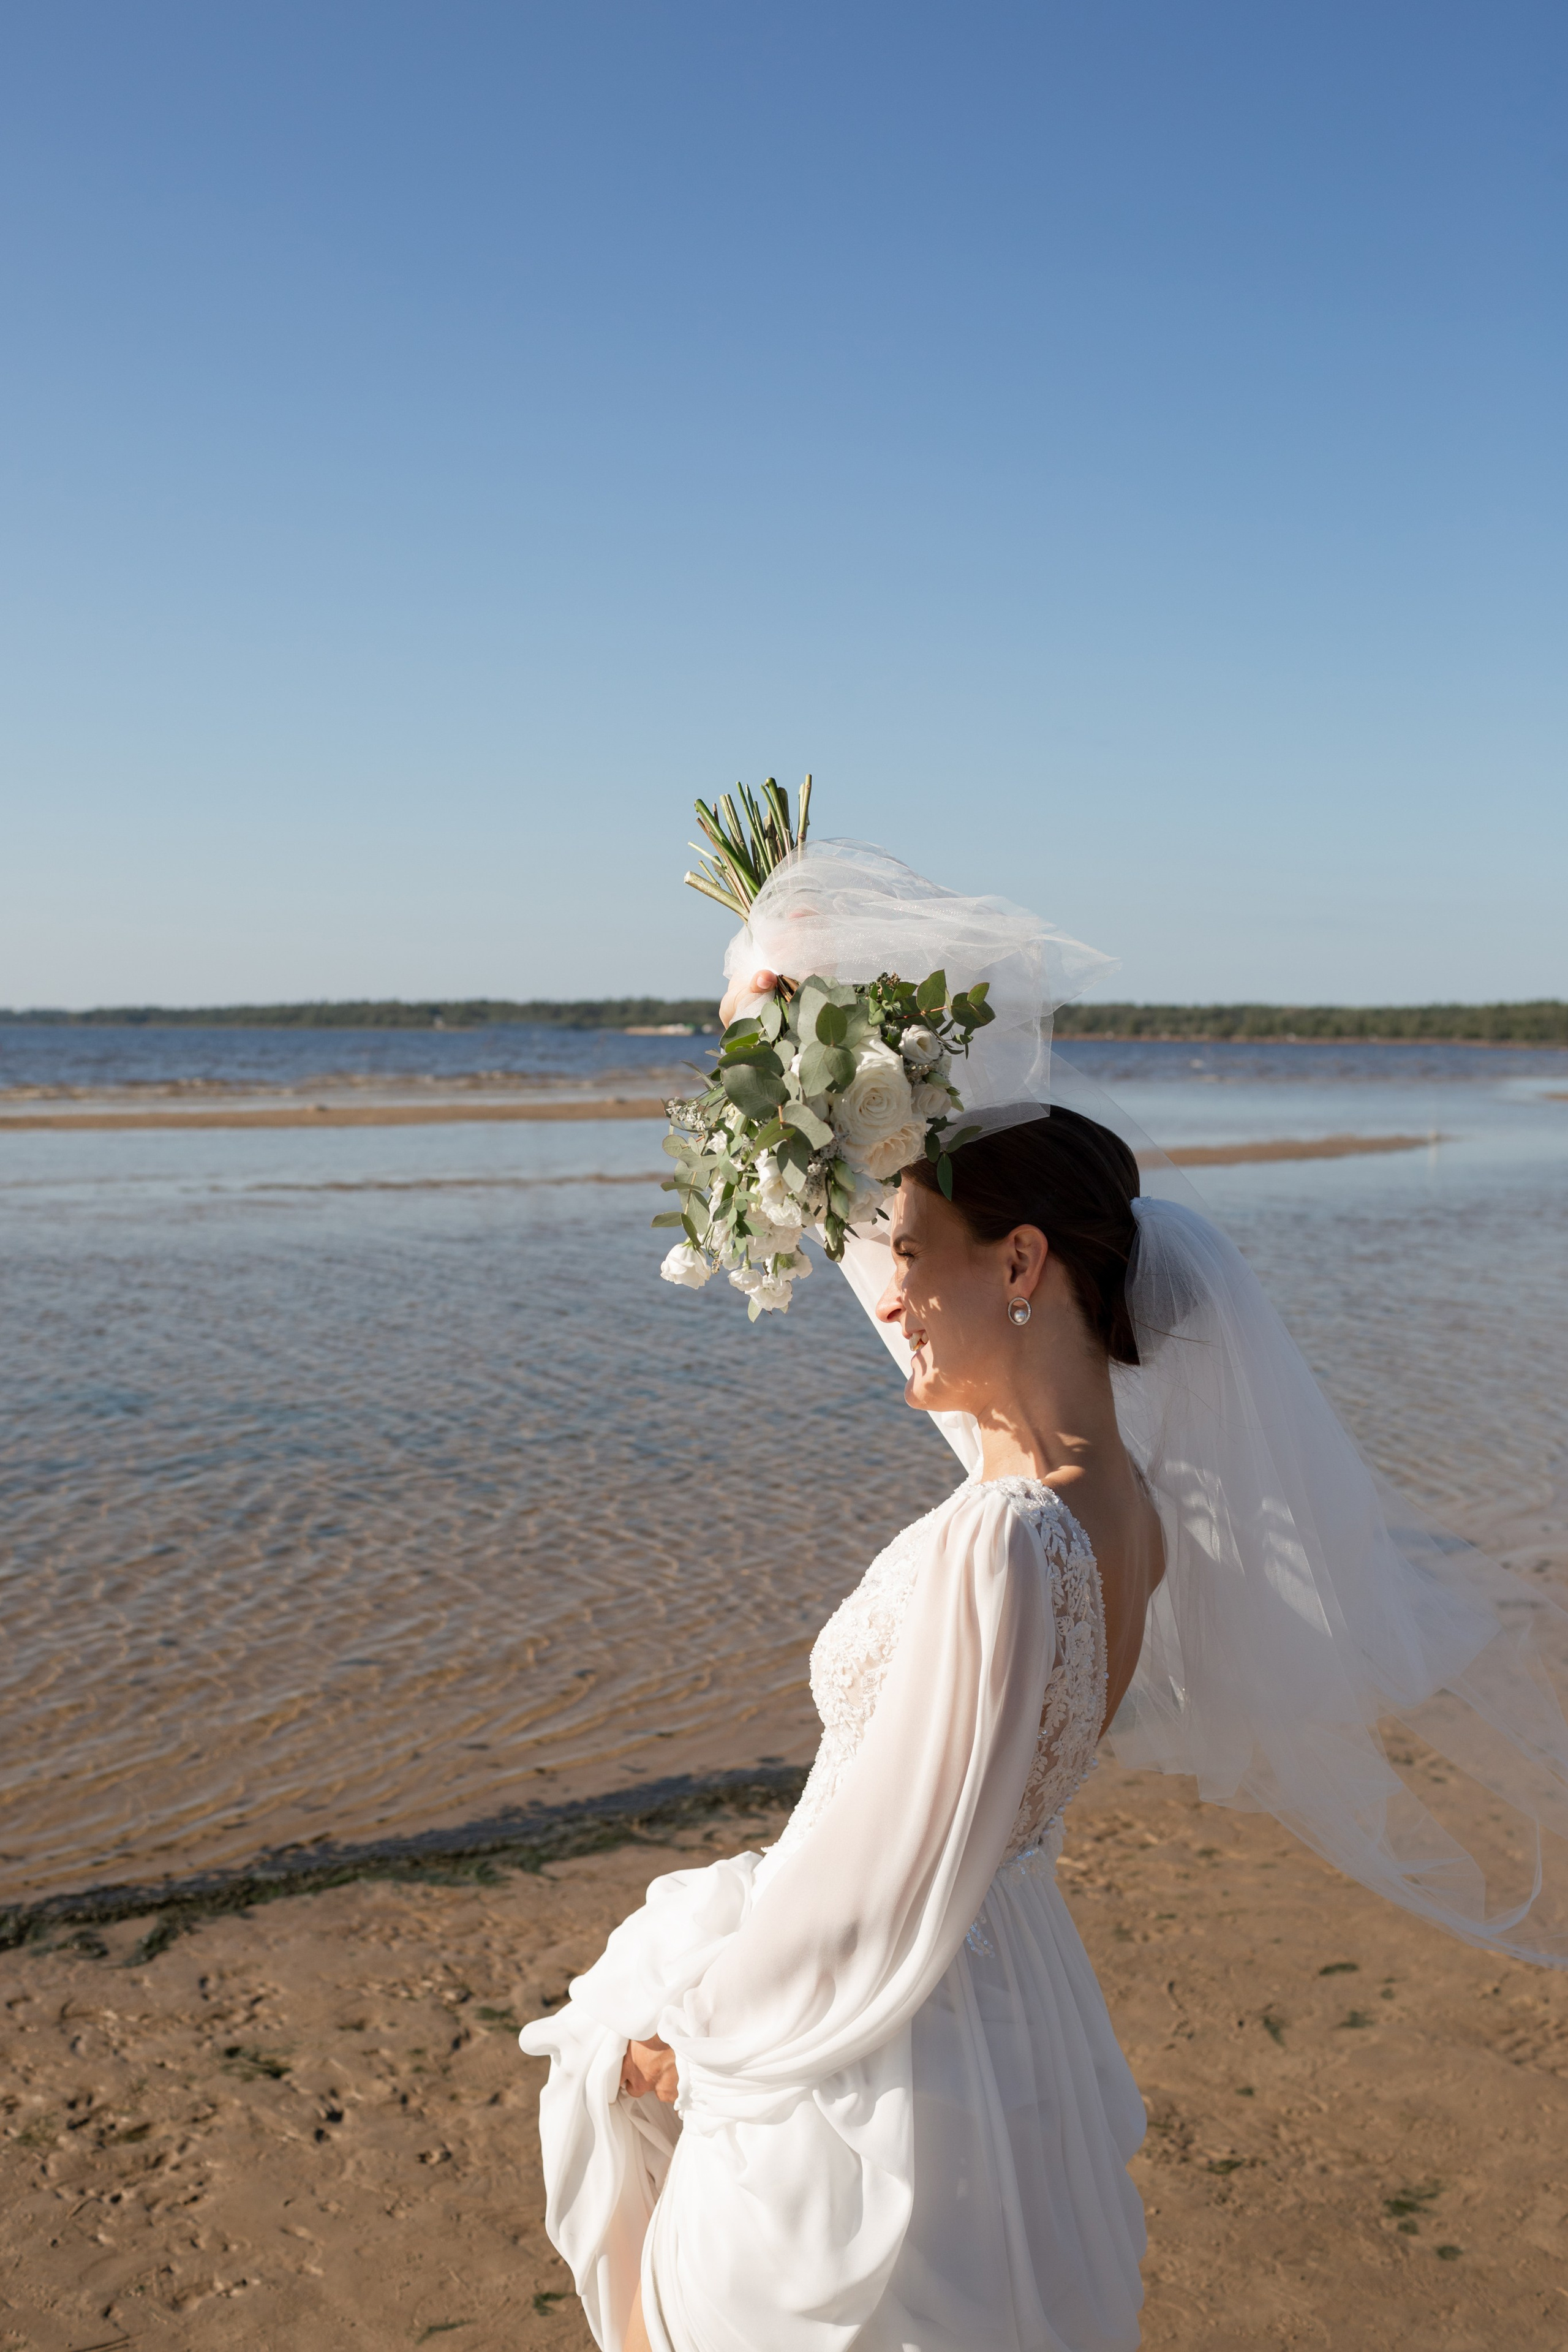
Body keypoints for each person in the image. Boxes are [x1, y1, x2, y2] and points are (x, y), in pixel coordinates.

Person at [522, 845, 1568, 2352]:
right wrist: (791, 1078)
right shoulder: (1120, 1508)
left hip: (887, 2054)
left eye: (906, 1258)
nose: (881, 1299)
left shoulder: (1003, 1541)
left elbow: (865, 1896)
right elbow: (948, 1343)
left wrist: (689, 2046)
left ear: (1020, 1261)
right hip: (1009, 2014)